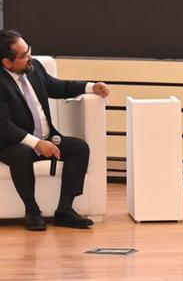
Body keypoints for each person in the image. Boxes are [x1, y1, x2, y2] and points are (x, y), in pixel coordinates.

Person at [0, 30, 109, 231]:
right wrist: (37, 143)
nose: (30, 57)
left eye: (29, 50)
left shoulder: (33, 68)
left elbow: (57, 87)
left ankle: (64, 211)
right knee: (21, 154)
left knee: (79, 148)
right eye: (23, 55)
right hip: (12, 144)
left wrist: (90, 87)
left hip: (47, 137)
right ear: (6, 63)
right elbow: (4, 126)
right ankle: (32, 211)